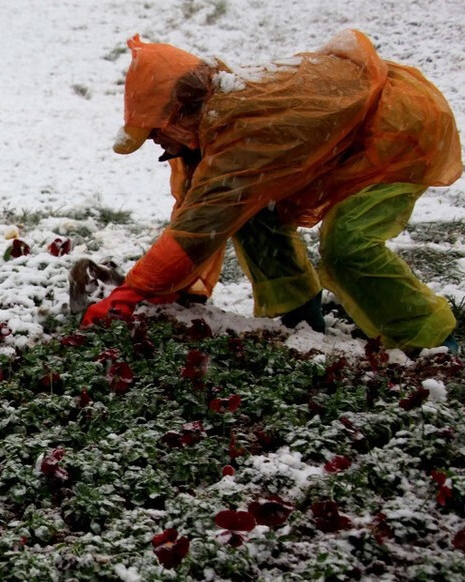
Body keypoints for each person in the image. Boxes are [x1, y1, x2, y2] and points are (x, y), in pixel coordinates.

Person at [84, 30, 462, 354]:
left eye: (155, 132)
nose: (156, 143)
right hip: (352, 137)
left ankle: (432, 342)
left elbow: (201, 223)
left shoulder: (242, 129)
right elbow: (196, 217)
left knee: (349, 246)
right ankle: (298, 316)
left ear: (179, 113)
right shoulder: (208, 130)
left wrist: (131, 294)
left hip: (401, 127)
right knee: (253, 216)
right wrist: (169, 288)